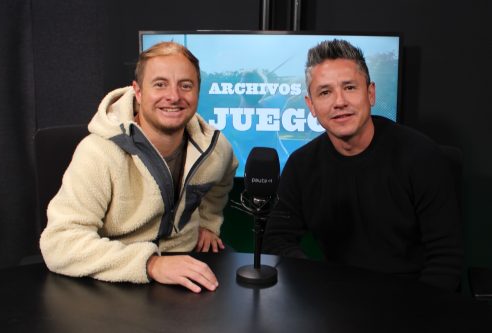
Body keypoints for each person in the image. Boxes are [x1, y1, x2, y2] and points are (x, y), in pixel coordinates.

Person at [262, 39, 463, 291]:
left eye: (349, 87)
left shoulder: (421, 156)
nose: (339, 102)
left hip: (414, 302)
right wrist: (320, 284)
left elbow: (445, 260)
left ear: (370, 93)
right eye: (325, 92)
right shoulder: (301, 165)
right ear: (311, 106)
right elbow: (277, 239)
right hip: (341, 300)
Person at [40, 41, 238, 293]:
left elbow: (223, 177)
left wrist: (209, 222)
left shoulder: (215, 147)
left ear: (198, 92)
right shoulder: (98, 153)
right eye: (160, 84)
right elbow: (58, 243)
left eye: (185, 85)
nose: (174, 96)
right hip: (113, 280)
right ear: (138, 91)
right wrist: (151, 263)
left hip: (186, 269)